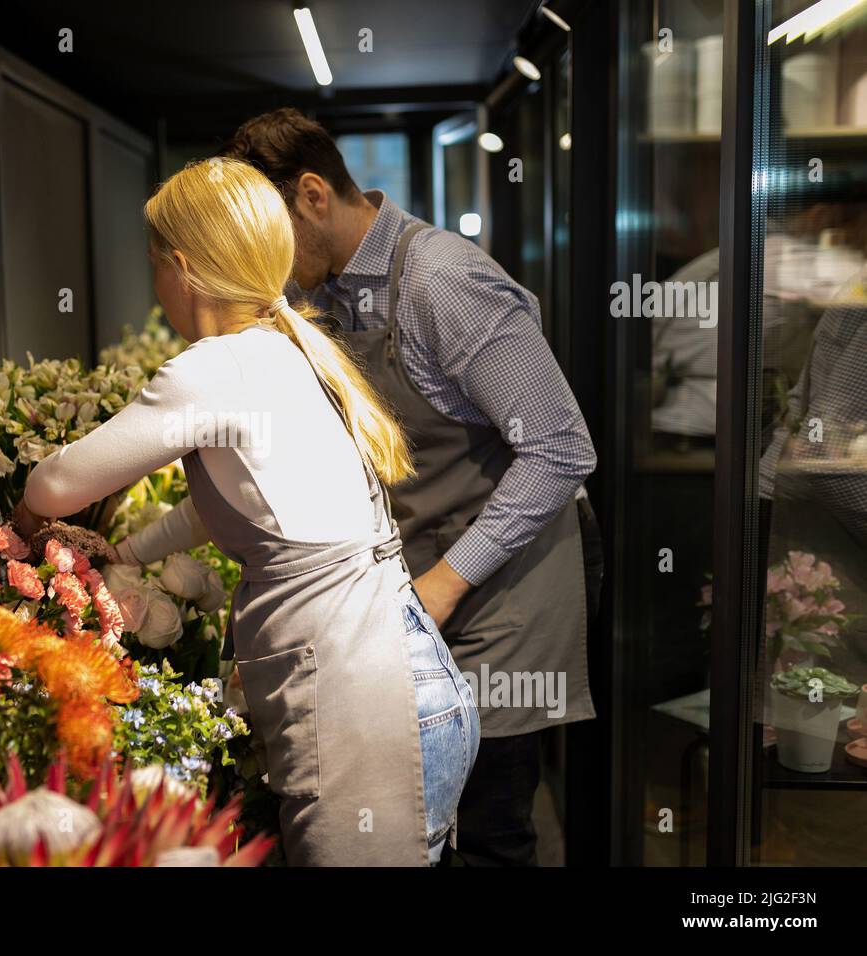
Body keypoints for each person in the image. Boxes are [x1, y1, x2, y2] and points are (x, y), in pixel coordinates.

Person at [13, 158, 478, 866]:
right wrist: (131, 554)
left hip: (366, 708)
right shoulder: (284, 352)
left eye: (153, 263)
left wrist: (22, 526)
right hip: (410, 688)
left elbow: (56, 485)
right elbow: (241, 507)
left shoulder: (213, 370)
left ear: (181, 266)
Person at [222, 108, 597, 866]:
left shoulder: (443, 281)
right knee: (425, 818)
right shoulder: (324, 297)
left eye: (272, 234)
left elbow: (560, 448)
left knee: (489, 830)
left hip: (505, 596)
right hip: (426, 590)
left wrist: (444, 585)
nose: (268, 261)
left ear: (314, 196)